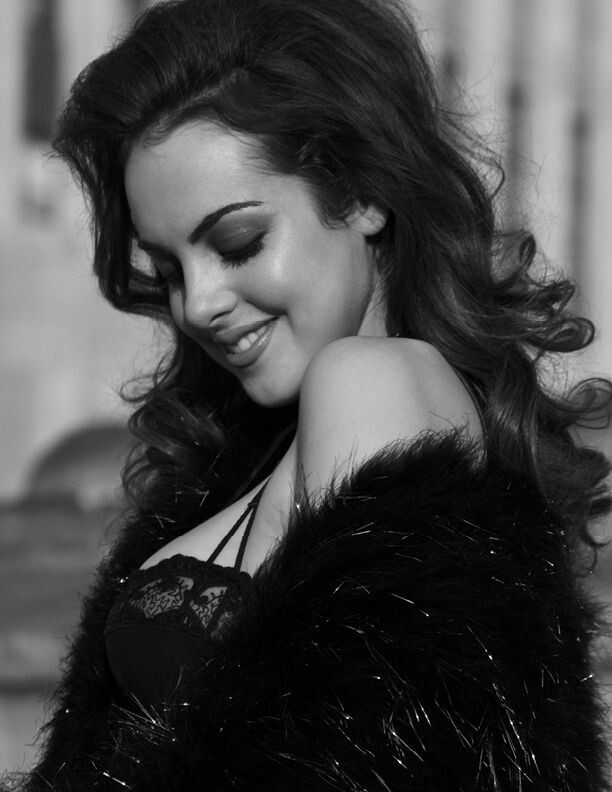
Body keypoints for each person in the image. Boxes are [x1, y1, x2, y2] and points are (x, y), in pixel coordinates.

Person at [7, 0, 612, 789]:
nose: (198, 304)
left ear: (362, 194)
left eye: (237, 242)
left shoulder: (372, 380)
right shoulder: (272, 442)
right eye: (171, 269)